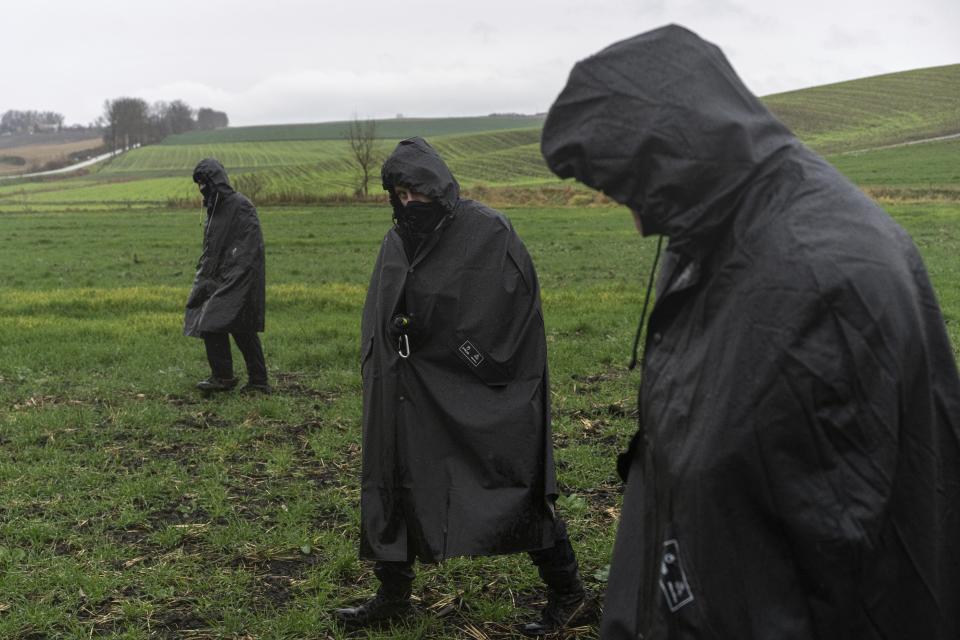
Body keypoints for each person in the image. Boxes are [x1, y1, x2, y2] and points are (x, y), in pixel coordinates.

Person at [540, 24, 960, 640]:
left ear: (673, 149)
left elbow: (825, 562)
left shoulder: (820, 275)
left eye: (632, 188)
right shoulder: (713, 228)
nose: (636, 221)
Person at [334, 137, 586, 634]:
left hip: (474, 390)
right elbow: (383, 310)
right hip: (403, 389)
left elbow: (510, 323)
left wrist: (445, 339)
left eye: (417, 193)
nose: (409, 203)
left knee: (510, 480)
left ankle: (571, 594)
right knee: (392, 478)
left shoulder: (488, 232)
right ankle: (393, 593)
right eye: (400, 195)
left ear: (439, 187)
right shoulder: (397, 238)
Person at [183, 158, 269, 394]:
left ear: (214, 180)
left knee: (218, 323)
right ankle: (239, 379)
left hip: (241, 276)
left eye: (203, 182)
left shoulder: (241, 205)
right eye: (198, 183)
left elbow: (250, 246)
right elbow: (213, 247)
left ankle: (239, 379)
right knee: (236, 327)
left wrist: (234, 275)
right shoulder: (213, 208)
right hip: (220, 276)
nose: (201, 187)